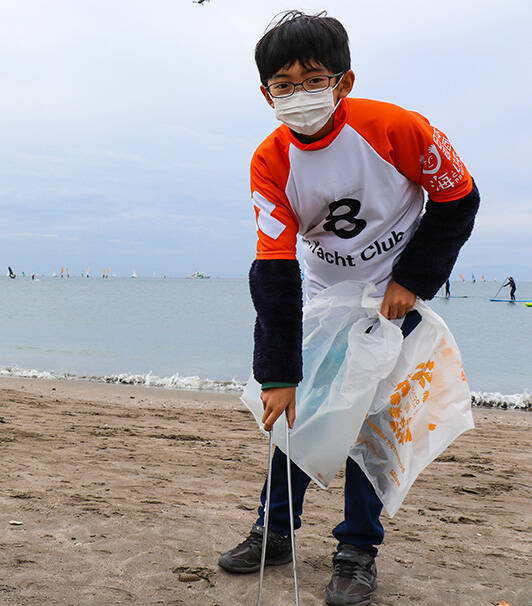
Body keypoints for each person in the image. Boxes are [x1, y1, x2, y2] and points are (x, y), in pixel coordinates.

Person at [218, 12, 479, 606]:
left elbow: (459, 199)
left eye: (313, 80)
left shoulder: (398, 129)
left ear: (344, 81)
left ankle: (357, 549)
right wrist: (278, 374)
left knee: (371, 422)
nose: (298, 95)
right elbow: (274, 268)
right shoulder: (271, 161)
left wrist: (413, 279)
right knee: (300, 414)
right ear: (266, 94)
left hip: (393, 298)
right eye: (283, 85)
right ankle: (275, 531)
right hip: (322, 297)